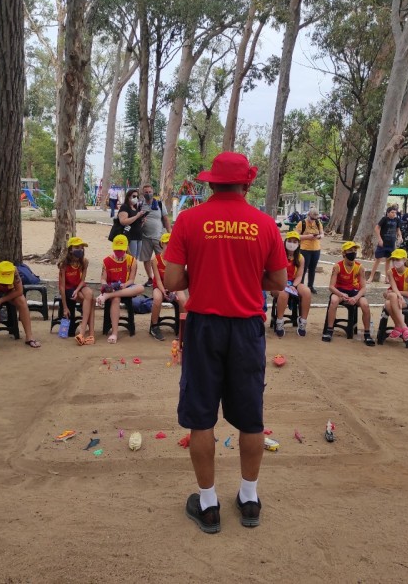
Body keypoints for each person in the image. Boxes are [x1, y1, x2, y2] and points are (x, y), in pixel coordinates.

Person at [163, 151, 287, 533]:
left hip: (204, 327)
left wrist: (202, 277)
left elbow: (171, 282)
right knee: (251, 419)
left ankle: (209, 504)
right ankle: (249, 499)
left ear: (210, 183)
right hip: (247, 329)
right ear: (247, 184)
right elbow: (280, 282)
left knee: (201, 418)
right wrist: (249, 282)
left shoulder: (189, 220)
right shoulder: (265, 225)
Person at [322, 241, 375, 346]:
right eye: (350, 250)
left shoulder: (360, 267)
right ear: (344, 253)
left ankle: (367, 334)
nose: (353, 252)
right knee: (334, 301)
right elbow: (331, 286)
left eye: (355, 250)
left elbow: (363, 287)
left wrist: (356, 298)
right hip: (340, 290)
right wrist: (341, 294)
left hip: (354, 291)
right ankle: (329, 330)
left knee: (365, 305)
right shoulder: (337, 266)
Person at [0, 261, 41, 348]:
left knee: (22, 301)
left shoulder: (14, 271)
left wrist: (1, 300)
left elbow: (19, 291)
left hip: (8, 292)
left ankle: (29, 336)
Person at [97, 234, 144, 344]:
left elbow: (132, 280)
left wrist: (125, 284)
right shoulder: (106, 261)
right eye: (117, 250)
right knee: (116, 298)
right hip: (111, 288)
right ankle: (115, 333)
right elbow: (103, 279)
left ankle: (107, 296)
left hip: (126, 287)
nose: (119, 252)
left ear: (126, 248)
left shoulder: (132, 260)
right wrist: (106, 286)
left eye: (121, 250)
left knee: (141, 287)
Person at [271, 231, 312, 338]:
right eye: (289, 241)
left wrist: (293, 286)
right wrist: (284, 285)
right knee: (284, 294)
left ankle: (303, 322)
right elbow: (273, 273)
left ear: (298, 244)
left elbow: (299, 275)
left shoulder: (300, 258)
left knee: (307, 292)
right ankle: (279, 322)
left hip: (294, 283)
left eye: (295, 241)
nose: (292, 243)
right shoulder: (278, 255)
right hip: (278, 283)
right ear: (285, 242)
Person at [149, 232, 187, 341]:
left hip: (175, 286)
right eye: (166, 244)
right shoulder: (155, 259)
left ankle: (183, 329)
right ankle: (154, 326)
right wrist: (164, 291)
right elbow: (157, 279)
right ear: (162, 244)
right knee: (157, 299)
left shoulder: (178, 259)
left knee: (183, 300)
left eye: (171, 244)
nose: (169, 246)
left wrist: (173, 291)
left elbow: (179, 277)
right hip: (160, 286)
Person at [58, 236, 95, 345]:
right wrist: (65, 307)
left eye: (82, 247)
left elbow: (83, 280)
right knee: (90, 301)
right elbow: (62, 287)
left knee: (90, 295)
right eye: (77, 247)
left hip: (79, 286)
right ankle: (90, 334)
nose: (80, 250)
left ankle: (83, 332)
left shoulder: (84, 262)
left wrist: (77, 289)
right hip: (68, 288)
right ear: (70, 249)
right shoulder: (64, 265)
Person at [138, 183, 171, 288]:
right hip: (145, 237)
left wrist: (170, 232)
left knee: (162, 259)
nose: (148, 194)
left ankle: (164, 279)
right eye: (146, 192)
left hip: (158, 237)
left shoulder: (160, 204)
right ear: (143, 193)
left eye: (150, 192)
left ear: (153, 192)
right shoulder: (139, 205)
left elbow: (165, 219)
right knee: (146, 259)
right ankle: (150, 279)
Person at [382, 248, 408, 342]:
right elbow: (393, 286)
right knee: (391, 296)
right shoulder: (390, 272)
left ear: (404, 260)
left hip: (406, 299)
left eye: (397, 259)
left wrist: (397, 294)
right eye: (393, 260)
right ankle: (404, 327)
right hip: (394, 295)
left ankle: (398, 326)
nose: (394, 262)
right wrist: (397, 295)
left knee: (389, 303)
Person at [369, 206, 402, 283]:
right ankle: (371, 276)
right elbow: (376, 228)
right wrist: (379, 239)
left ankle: (387, 278)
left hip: (391, 243)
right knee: (378, 259)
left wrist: (400, 236)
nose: (394, 214)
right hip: (383, 243)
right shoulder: (384, 219)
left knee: (388, 260)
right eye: (392, 212)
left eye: (395, 212)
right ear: (388, 213)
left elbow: (398, 229)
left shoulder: (397, 220)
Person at [297, 208, 323, 294]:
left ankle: (310, 285)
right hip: (305, 249)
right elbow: (297, 236)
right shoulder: (302, 223)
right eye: (312, 218)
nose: (313, 221)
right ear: (308, 215)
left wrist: (319, 236)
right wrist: (308, 236)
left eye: (315, 219)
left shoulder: (318, 223)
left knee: (312, 269)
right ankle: (301, 285)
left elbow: (322, 234)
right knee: (303, 268)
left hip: (316, 249)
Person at [117, 188, 147, 260]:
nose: (136, 198)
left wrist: (142, 221)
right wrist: (137, 216)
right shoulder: (125, 207)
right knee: (131, 258)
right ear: (128, 197)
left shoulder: (136, 208)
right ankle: (129, 271)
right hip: (130, 236)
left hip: (138, 236)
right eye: (134, 196)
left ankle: (133, 270)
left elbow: (137, 224)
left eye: (137, 196)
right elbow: (123, 221)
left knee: (135, 258)